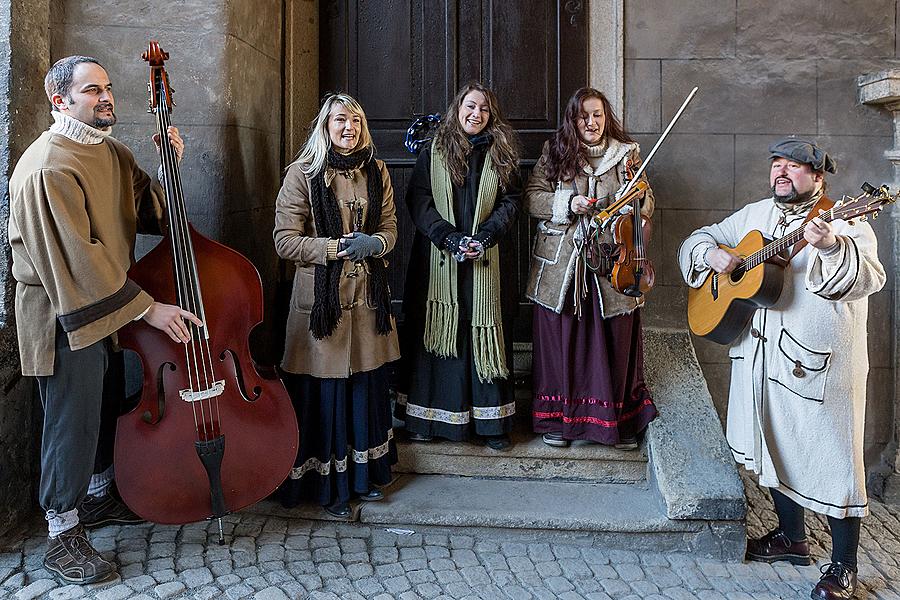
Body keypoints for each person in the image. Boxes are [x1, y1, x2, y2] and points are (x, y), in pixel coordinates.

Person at [8, 55, 199, 584]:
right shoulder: (49, 165)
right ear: (59, 100)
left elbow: (152, 215)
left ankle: (95, 499)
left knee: (103, 401)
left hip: (104, 302)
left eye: (108, 87)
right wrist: (149, 309)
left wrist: (168, 170)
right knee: (70, 420)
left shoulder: (110, 152)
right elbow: (78, 258)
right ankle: (61, 534)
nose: (107, 97)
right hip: (64, 310)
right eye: (92, 90)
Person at [678, 139, 886, 600]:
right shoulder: (754, 215)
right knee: (773, 445)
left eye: (794, 166)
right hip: (760, 354)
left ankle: (844, 566)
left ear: (818, 176)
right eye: (777, 165)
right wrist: (712, 256)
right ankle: (792, 539)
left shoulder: (846, 218)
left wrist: (831, 246)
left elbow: (868, 278)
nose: (782, 173)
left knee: (834, 460)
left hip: (816, 363)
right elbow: (697, 240)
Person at [274, 93, 399, 518]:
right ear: (325, 128)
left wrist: (376, 243)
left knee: (363, 391)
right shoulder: (302, 174)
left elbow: (390, 230)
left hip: (367, 304)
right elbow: (284, 241)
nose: (349, 128)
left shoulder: (377, 171)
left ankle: (363, 479)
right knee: (326, 397)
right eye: (341, 121)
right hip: (321, 311)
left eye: (357, 122)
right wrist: (334, 248)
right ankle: (328, 489)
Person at [525, 87, 657, 449]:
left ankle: (617, 422)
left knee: (614, 342)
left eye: (597, 114)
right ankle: (559, 420)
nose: (591, 122)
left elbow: (647, 205)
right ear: (573, 119)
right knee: (562, 340)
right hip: (563, 266)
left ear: (606, 116)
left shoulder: (627, 154)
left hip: (613, 263)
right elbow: (533, 197)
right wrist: (569, 204)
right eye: (584, 115)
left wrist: (636, 197)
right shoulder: (555, 151)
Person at [397, 83, 521, 450]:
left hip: (487, 259)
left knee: (480, 331)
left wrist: (485, 237)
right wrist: (448, 238)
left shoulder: (503, 154)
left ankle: (491, 424)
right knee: (438, 335)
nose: (476, 114)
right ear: (458, 108)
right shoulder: (433, 150)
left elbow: (511, 202)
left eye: (484, 109)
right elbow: (418, 201)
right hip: (437, 260)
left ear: (491, 115)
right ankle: (426, 419)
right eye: (470, 106)